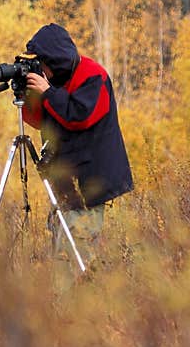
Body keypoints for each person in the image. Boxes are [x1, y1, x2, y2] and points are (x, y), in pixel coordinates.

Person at [20, 23, 133, 275]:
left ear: (56, 61)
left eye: (43, 64)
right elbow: (40, 121)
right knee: (61, 248)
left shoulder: (94, 76)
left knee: (77, 250)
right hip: (66, 181)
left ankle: (81, 306)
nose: (42, 70)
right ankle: (65, 307)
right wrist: (29, 95)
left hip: (90, 182)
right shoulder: (56, 81)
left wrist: (48, 92)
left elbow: (80, 116)